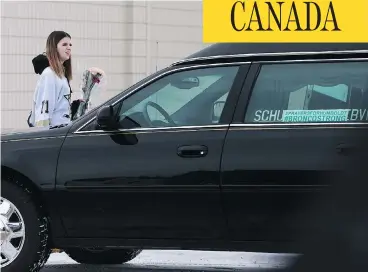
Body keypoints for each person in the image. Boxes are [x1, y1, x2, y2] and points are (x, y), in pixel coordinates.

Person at [28, 31, 79, 128]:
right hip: (54, 135)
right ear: (54, 48)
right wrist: (44, 137)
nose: (69, 47)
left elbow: (59, 108)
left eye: (70, 44)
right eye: (64, 44)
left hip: (62, 132)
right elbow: (44, 112)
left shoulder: (61, 75)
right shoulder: (49, 75)